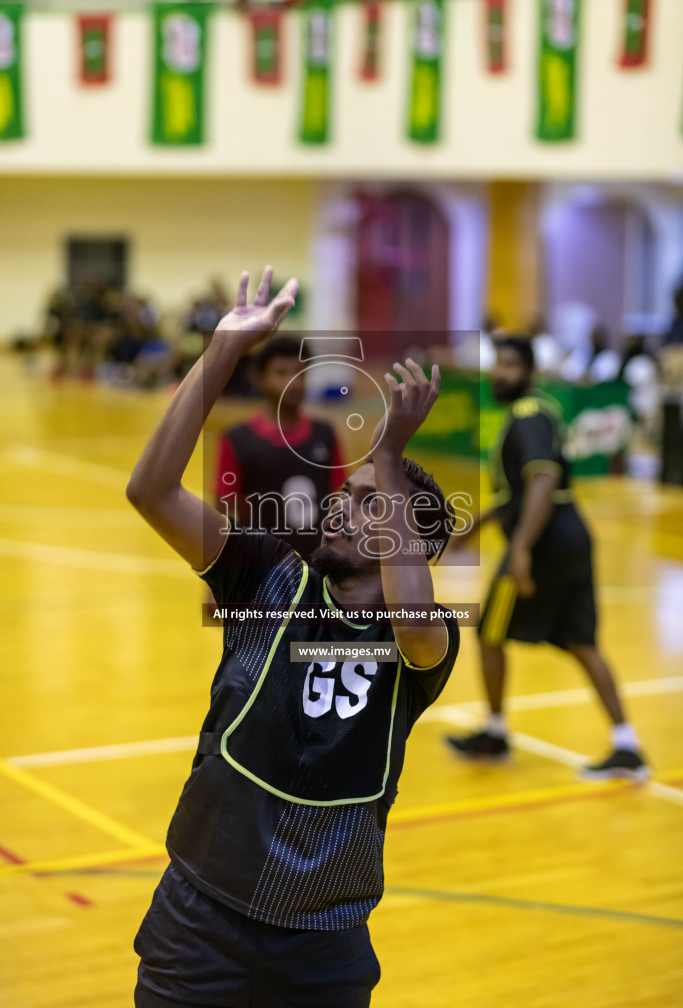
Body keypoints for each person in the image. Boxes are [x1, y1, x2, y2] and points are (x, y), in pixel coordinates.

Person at [126, 265, 460, 1008]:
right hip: (202, 912)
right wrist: (221, 352)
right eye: (347, 497)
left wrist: (384, 460)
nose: (344, 508)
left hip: (325, 937)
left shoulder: (425, 645)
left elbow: (410, 621)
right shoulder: (267, 574)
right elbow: (149, 492)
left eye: (371, 504)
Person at [446, 334, 649, 781]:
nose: (501, 373)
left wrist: (520, 549)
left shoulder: (526, 415)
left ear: (530, 373)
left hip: (545, 541)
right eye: (498, 364)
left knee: (489, 631)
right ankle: (626, 744)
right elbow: (517, 493)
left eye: (511, 365)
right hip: (570, 534)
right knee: (583, 641)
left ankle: (495, 734)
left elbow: (542, 481)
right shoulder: (538, 412)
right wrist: (475, 529)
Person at [215, 334, 347, 560]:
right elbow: (223, 515)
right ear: (260, 379)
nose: (293, 382)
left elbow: (341, 501)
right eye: (281, 373)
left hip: (316, 567)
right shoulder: (237, 440)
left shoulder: (325, 434)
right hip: (261, 570)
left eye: (300, 372)